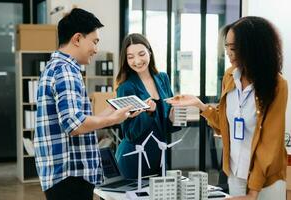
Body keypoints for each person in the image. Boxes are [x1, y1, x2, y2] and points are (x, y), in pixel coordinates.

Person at [167, 16, 288, 200]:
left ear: (253, 48)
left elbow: (269, 144)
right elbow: (225, 125)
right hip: (235, 174)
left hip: (265, 180)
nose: (229, 54)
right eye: (227, 48)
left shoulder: (277, 84)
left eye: (234, 48)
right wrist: (199, 105)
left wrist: (253, 192)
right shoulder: (230, 76)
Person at [34, 8, 132, 200]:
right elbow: (74, 124)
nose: (96, 49)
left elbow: (75, 119)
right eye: (94, 42)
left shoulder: (56, 67)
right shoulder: (66, 71)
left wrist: (110, 111)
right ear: (77, 39)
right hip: (71, 175)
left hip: (64, 175)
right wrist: (112, 119)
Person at [115, 33, 179, 178]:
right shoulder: (126, 87)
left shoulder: (163, 78)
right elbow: (129, 133)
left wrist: (172, 117)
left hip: (159, 156)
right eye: (130, 57)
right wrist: (148, 113)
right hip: (133, 157)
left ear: (149, 52)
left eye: (141, 54)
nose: (137, 61)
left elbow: (165, 127)